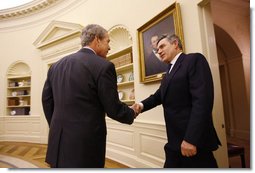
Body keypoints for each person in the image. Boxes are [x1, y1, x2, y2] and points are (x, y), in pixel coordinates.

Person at [42, 24, 137, 168]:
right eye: (108, 41)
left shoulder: (55, 66)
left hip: (58, 142)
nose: (109, 47)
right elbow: (112, 108)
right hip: (84, 147)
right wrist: (131, 112)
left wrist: (57, 126)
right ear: (97, 40)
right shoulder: (104, 66)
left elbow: (47, 101)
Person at [133, 34, 221, 168]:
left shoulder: (194, 60)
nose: (159, 51)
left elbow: (202, 102)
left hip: (193, 141)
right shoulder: (168, 71)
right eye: (157, 49)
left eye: (162, 46)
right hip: (174, 141)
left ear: (175, 44)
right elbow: (158, 96)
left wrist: (191, 139)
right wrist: (140, 105)